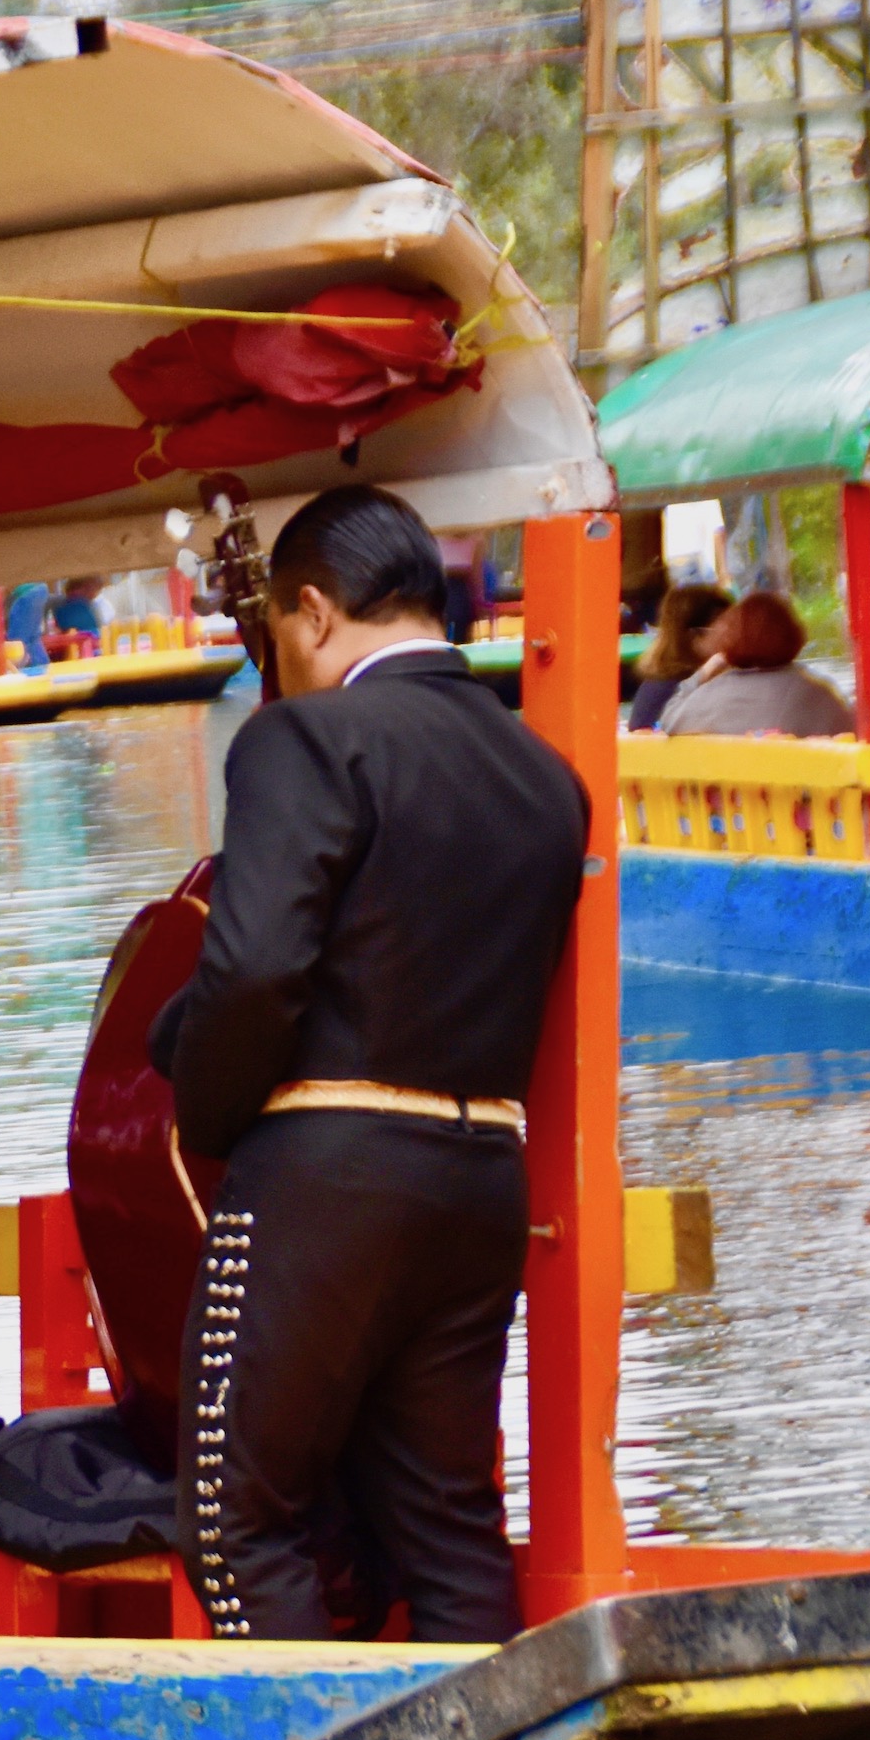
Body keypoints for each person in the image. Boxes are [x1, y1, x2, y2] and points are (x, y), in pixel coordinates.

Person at [155, 484, 587, 1644]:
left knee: (231, 1512)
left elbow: (250, 972)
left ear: (309, 611)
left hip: (328, 1174)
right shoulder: (545, 775)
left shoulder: (305, 736)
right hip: (482, 1171)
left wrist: (205, 1112)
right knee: (445, 1523)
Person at [652, 592, 854, 739]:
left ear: (730, 640)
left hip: (728, 797)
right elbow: (852, 733)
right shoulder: (817, 693)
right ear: (794, 635)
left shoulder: (708, 696)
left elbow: (668, 721)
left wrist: (702, 675)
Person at [624, 581, 732, 731]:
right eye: (727, 629)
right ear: (695, 636)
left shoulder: (661, 682)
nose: (734, 636)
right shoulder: (665, 688)